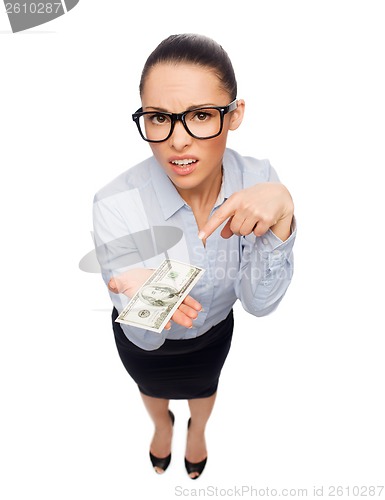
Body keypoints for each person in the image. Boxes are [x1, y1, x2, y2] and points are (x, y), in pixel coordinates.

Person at [92, 33, 296, 479]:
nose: (177, 142)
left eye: (201, 116)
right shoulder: (115, 203)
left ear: (234, 114)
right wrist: (152, 301)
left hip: (213, 333)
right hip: (146, 346)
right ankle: (161, 426)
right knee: (151, 388)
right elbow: (145, 339)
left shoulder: (260, 180)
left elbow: (259, 304)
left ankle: (198, 430)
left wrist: (282, 221)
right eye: (159, 118)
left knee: (204, 387)